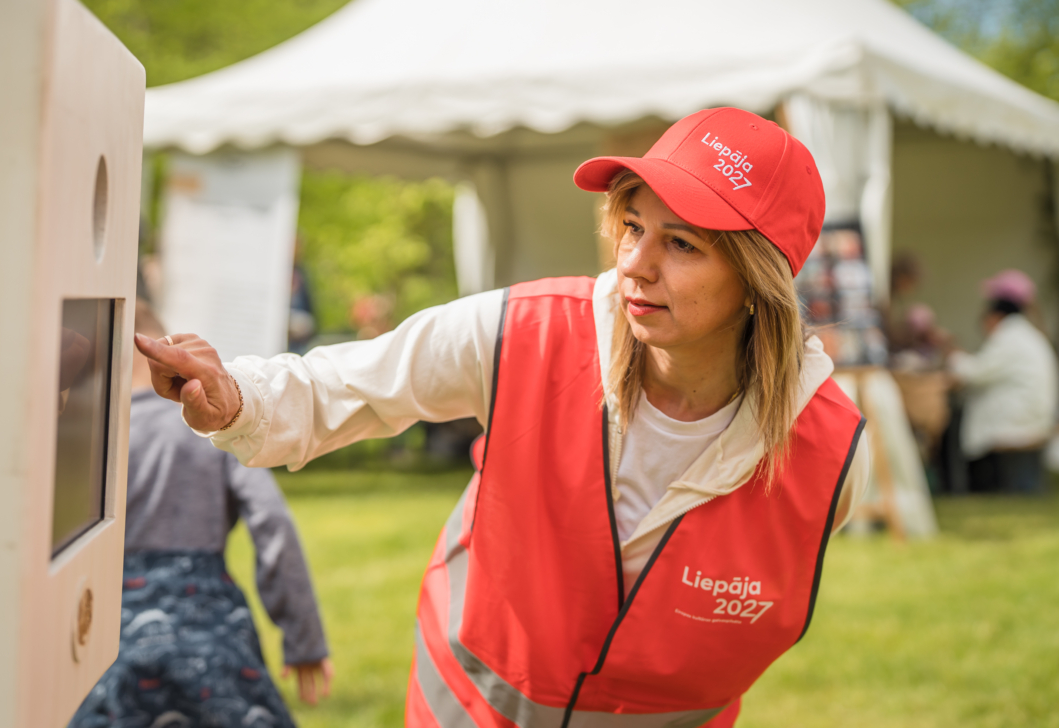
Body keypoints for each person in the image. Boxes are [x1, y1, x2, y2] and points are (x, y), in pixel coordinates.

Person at [134, 107, 870, 727]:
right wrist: (234, 396)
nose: (637, 264)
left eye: (681, 244)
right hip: (469, 704)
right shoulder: (526, 329)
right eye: (633, 225)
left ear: (757, 279)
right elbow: (350, 384)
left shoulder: (834, 454)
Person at [69, 301, 331, 728]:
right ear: (163, 356)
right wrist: (304, 640)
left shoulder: (87, 438)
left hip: (114, 633)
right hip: (209, 627)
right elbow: (272, 522)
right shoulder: (212, 426)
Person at [946, 269, 1059, 493]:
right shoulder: (1026, 334)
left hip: (1019, 418)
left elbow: (976, 373)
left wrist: (953, 355)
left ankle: (959, 486)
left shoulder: (1010, 337)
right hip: (1032, 413)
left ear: (996, 314)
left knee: (956, 417)